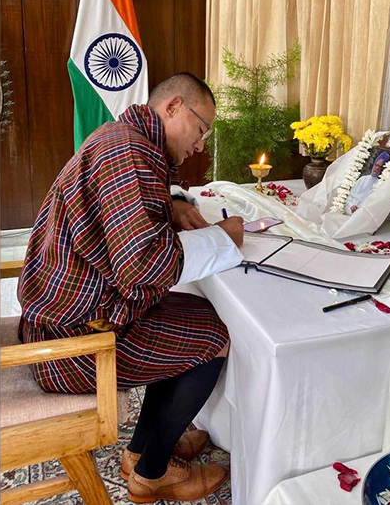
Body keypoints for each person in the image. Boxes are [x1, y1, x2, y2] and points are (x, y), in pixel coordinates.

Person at [17, 73, 241, 503]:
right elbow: (141, 266)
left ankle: (142, 448)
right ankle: (152, 473)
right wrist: (224, 238)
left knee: (199, 315)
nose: (200, 145)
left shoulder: (125, 138)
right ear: (173, 107)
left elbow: (121, 211)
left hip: (73, 314)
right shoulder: (130, 152)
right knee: (214, 339)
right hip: (73, 345)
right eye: (201, 129)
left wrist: (172, 206)